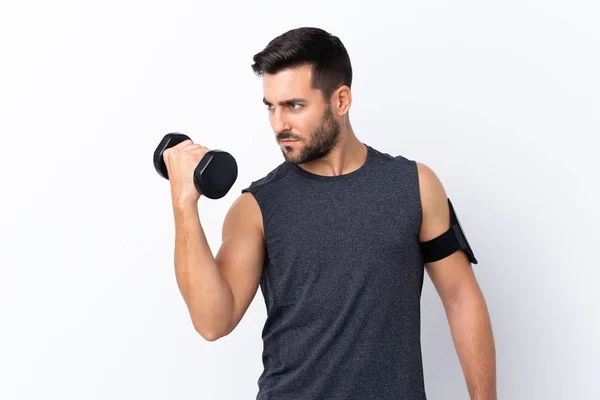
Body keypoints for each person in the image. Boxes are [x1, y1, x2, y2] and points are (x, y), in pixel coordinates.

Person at [162, 27, 496, 400]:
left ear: (341, 100)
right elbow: (212, 321)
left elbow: (461, 298)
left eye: (294, 105)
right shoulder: (256, 208)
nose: (278, 124)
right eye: (271, 106)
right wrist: (184, 204)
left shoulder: (414, 186)